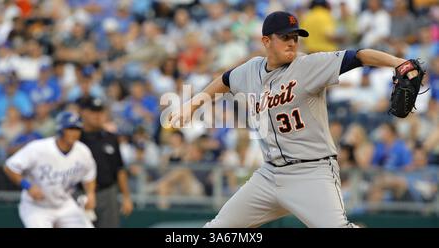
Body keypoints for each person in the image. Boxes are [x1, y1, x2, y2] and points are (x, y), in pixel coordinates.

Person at [168, 11, 422, 228]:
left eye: (295, 37)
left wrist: (398, 62)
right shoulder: (249, 70)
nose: (292, 42)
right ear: (266, 41)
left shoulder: (309, 66)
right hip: (269, 175)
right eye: (285, 37)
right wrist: (192, 104)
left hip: (311, 172)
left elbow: (359, 55)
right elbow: (224, 80)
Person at [3, 111, 96, 228]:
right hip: (37, 207)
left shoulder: (83, 151)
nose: (74, 133)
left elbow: (89, 174)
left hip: (65, 205)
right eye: (70, 128)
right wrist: (28, 186)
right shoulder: (39, 148)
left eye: (77, 129)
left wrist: (90, 194)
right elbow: (9, 166)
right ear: (61, 130)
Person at [79, 97, 133, 228]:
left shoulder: (111, 138)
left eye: (100, 112)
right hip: (80, 193)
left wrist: (126, 196)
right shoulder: (76, 137)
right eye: (93, 111)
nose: (97, 116)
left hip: (107, 193)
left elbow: (119, 169)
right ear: (84, 113)